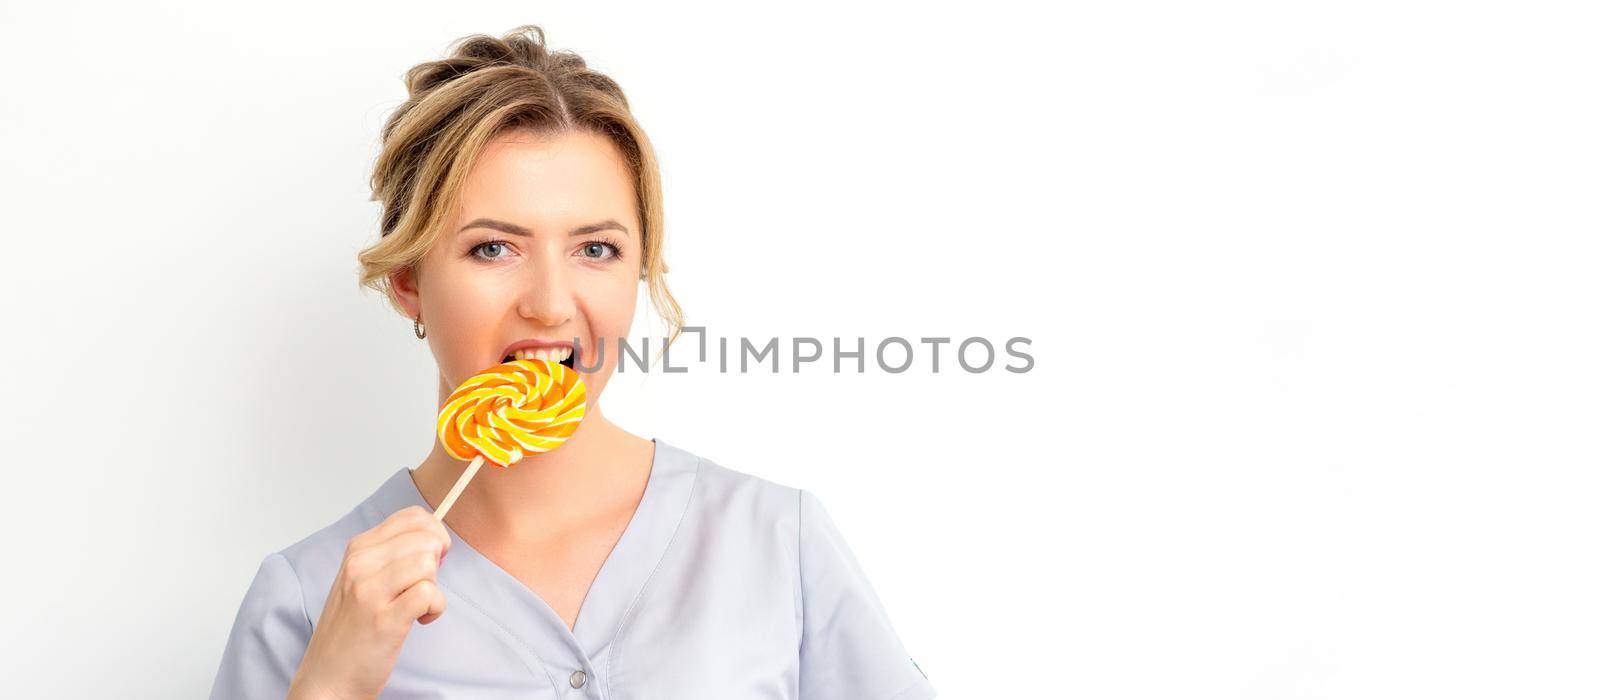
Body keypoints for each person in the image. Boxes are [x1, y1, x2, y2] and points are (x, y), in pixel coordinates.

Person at [207, 25, 936, 700]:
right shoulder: (307, 600)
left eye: (596, 249)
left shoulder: (778, 541)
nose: (552, 305)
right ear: (408, 283)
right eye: (493, 248)